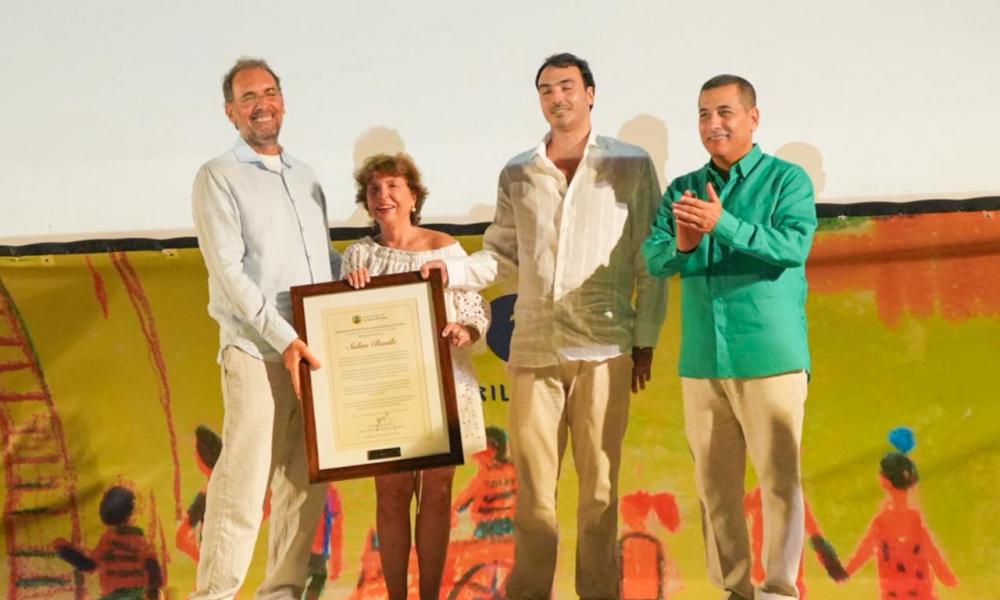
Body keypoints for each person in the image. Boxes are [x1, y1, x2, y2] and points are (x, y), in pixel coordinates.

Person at [422, 52, 667, 600]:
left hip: (604, 343)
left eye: (567, 87)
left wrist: (645, 337)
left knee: (600, 490)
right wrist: (452, 270)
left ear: (591, 93)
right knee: (534, 492)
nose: (557, 98)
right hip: (534, 347)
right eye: (546, 90)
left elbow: (651, 258)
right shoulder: (519, 169)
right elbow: (502, 254)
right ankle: (529, 593)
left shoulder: (631, 163)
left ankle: (598, 593)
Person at [643, 74, 817, 600]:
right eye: (702, 114)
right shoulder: (683, 189)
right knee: (715, 491)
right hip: (703, 361)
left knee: (779, 483)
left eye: (723, 112)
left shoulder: (788, 180)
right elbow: (654, 259)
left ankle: (780, 591)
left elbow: (793, 246)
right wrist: (685, 243)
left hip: (770, 355)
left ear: (752, 118)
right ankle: (734, 590)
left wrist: (725, 226)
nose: (712, 124)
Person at [190, 57, 341, 600]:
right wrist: (285, 339)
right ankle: (214, 595)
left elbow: (323, 260)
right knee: (243, 484)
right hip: (258, 351)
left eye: (270, 93)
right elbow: (229, 273)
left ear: (283, 101)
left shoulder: (306, 177)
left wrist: (366, 280)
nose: (262, 104)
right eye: (249, 97)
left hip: (315, 350)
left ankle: (281, 591)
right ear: (231, 112)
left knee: (306, 483)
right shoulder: (218, 177)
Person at [343, 152, 490, 600]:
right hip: (382, 393)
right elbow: (343, 327)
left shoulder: (444, 247)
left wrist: (466, 329)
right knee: (389, 495)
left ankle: (430, 595)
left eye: (392, 186)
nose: (382, 196)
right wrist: (352, 290)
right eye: (373, 189)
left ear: (412, 196)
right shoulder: (356, 255)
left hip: (442, 384)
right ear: (366, 202)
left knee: (438, 492)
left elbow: (474, 306)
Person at [844, 430, 958, 599]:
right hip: (921, 593)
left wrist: (845, 572)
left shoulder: (882, 521)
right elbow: (931, 551)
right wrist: (947, 577)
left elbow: (865, 550)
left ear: (885, 481)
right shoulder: (914, 518)